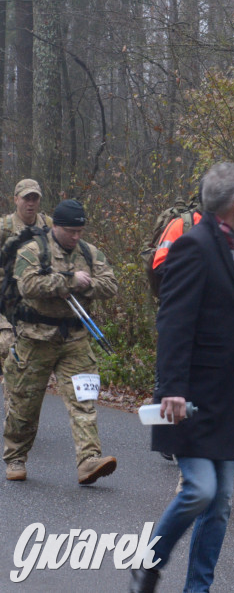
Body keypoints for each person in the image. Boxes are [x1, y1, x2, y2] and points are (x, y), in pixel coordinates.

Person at [129, 163, 234, 593]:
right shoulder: (194, 246)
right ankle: (147, 561)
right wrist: (171, 388)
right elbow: (173, 321)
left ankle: (197, 589)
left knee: (220, 505)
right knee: (201, 491)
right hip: (190, 397)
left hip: (227, 398)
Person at [2, 199, 118, 484]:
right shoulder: (33, 250)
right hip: (35, 338)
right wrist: (67, 281)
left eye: (80, 231)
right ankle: (16, 456)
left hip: (75, 339)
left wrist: (87, 283)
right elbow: (27, 284)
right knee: (25, 404)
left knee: (83, 399)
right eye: (70, 231)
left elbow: (110, 284)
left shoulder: (89, 253)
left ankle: (88, 460)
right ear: (56, 227)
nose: (76, 237)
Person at [0, 179, 53, 354]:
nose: (31, 203)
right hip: (7, 294)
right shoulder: (4, 228)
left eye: (34, 198)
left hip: (39, 292)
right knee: (7, 344)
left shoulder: (49, 225)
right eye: (26, 198)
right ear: (16, 199)